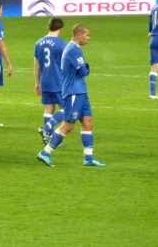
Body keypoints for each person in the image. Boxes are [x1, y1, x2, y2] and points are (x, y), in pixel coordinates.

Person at [37, 24, 106, 167]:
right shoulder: (73, 49)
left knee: (87, 122)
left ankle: (88, 158)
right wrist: (87, 68)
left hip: (81, 91)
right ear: (78, 35)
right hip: (74, 92)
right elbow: (82, 71)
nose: (89, 38)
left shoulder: (74, 49)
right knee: (68, 125)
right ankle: (45, 153)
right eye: (87, 35)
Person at [33, 17, 67, 143]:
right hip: (58, 81)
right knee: (66, 109)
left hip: (45, 81)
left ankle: (49, 138)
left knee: (48, 108)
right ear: (61, 29)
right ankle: (47, 130)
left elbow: (36, 64)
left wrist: (37, 83)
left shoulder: (39, 43)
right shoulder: (61, 44)